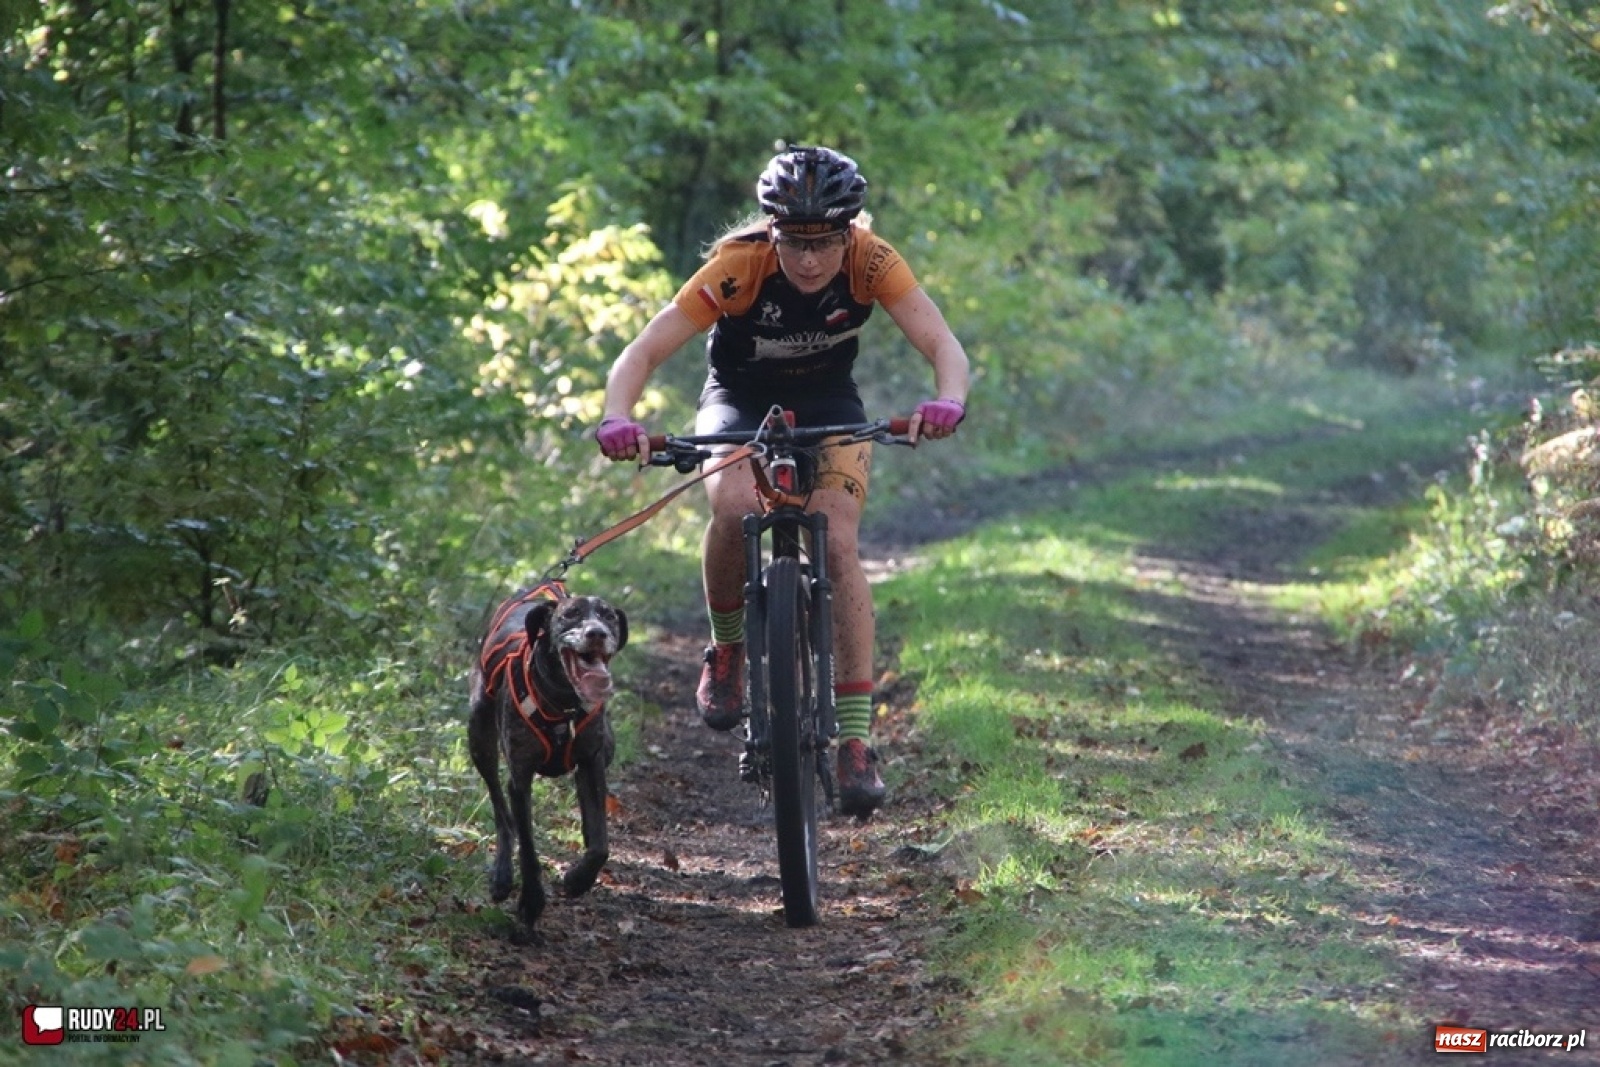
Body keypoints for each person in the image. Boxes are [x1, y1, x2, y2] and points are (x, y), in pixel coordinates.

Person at [594, 145, 970, 820]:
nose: (809, 259)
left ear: (848, 231)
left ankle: (854, 737)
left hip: (830, 406)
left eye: (825, 241)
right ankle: (729, 649)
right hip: (736, 402)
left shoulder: (873, 260)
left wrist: (947, 401)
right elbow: (644, 350)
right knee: (734, 506)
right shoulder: (738, 267)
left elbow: (943, 344)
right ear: (772, 230)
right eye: (795, 241)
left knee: (839, 543)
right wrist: (617, 416)